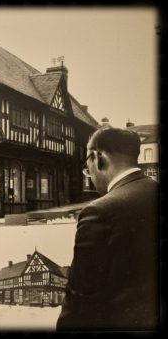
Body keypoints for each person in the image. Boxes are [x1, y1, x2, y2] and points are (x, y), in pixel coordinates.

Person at [56, 126, 159, 331]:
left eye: (88, 165)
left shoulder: (98, 211)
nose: (90, 175)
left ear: (98, 157)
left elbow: (80, 298)